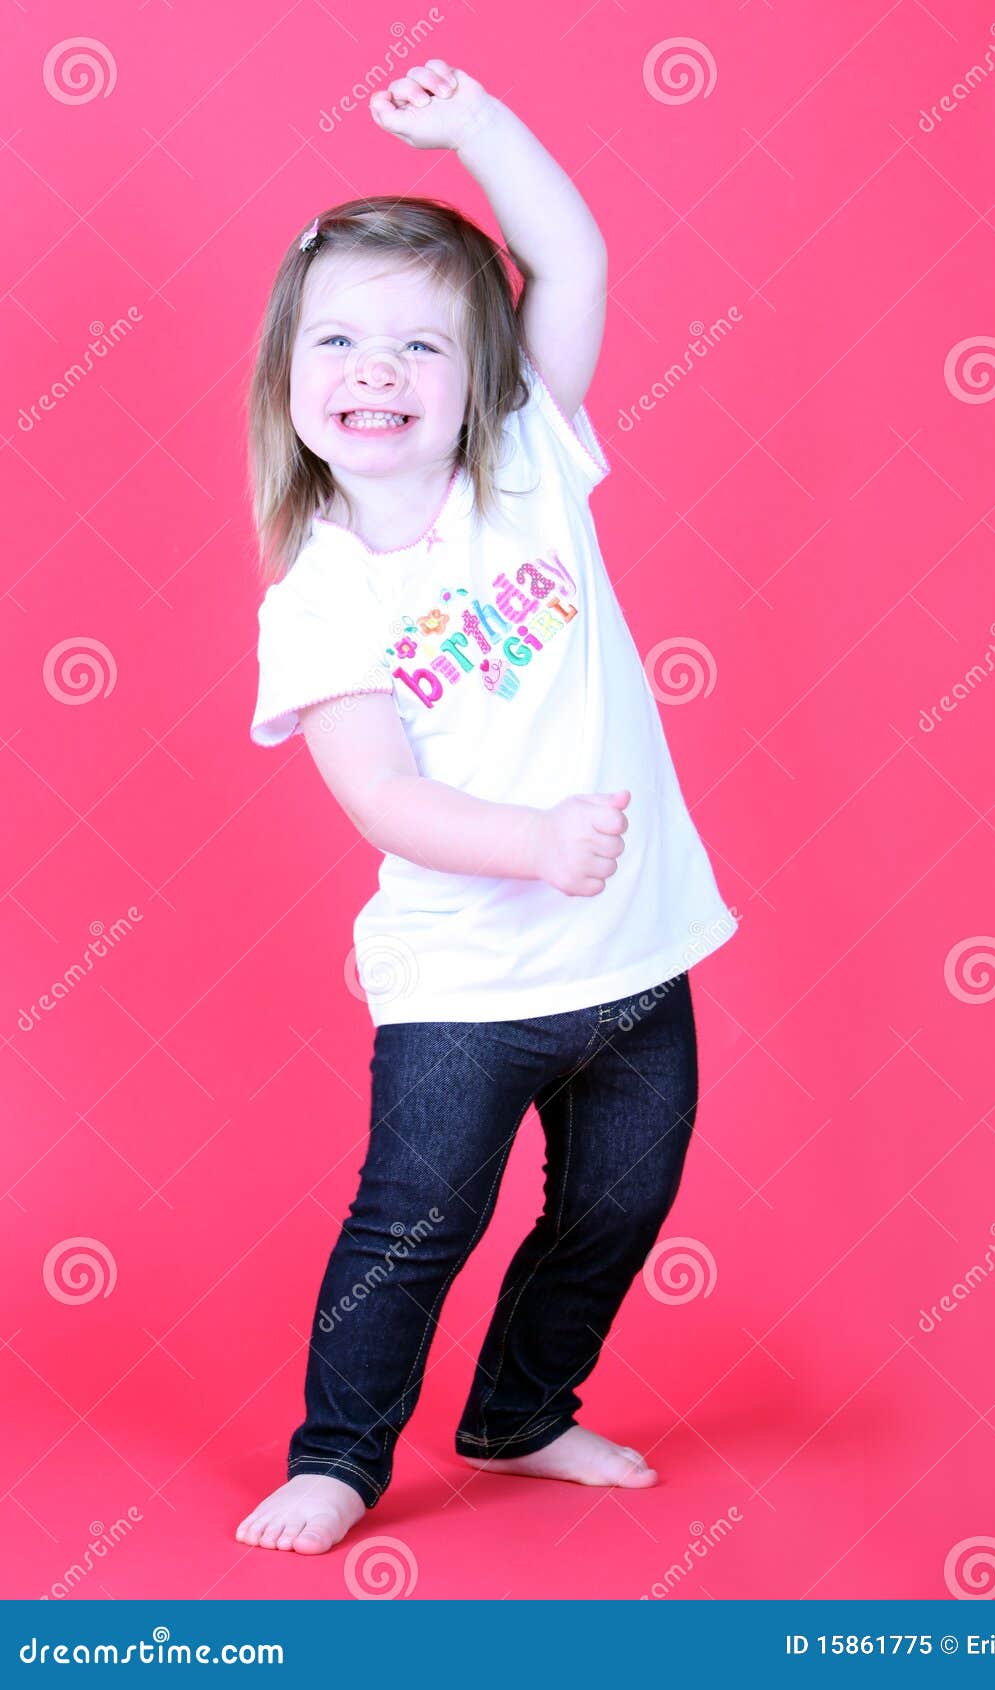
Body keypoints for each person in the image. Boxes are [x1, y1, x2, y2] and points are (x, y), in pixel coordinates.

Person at [236, 58, 739, 1555]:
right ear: (288, 375)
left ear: (484, 380)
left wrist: (476, 131)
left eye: (420, 344)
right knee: (413, 1226)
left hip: (633, 956)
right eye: (338, 339)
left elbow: (570, 260)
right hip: (466, 983)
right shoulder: (320, 598)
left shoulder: (526, 468)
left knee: (618, 1207)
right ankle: (337, 1455)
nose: (376, 370)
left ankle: (520, 1409)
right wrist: (533, 844)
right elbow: (383, 793)